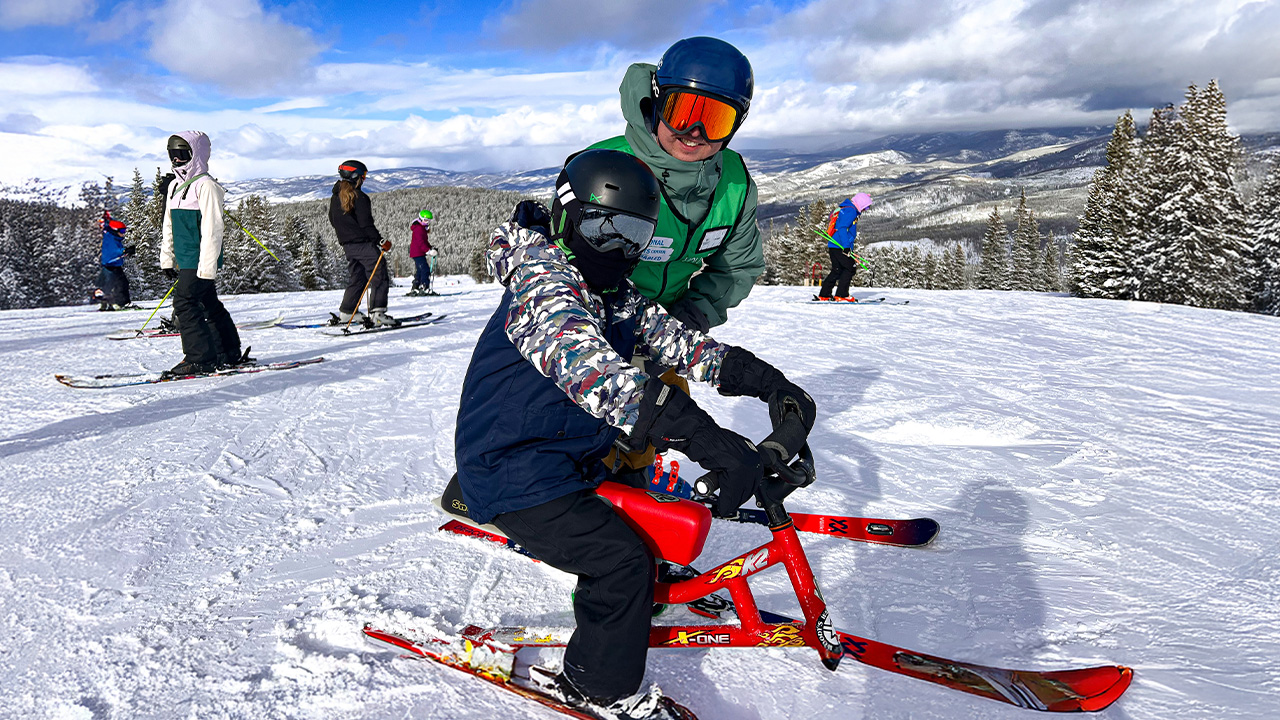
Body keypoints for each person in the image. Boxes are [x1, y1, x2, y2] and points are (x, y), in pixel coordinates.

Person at [451, 150, 815, 719]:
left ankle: (641, 589)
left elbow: (683, 344)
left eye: (633, 234)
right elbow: (597, 375)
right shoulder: (543, 284)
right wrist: (704, 438)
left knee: (651, 506)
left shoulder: (611, 290)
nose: (617, 246)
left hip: (573, 457)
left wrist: (768, 384)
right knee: (620, 563)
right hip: (512, 468)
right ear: (569, 215)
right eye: (604, 225)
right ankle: (596, 687)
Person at [587, 36, 766, 482]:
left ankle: (632, 483)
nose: (695, 133)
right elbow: (560, 270)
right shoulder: (607, 166)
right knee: (591, 415)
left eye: (715, 119)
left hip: (670, 326)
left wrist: (692, 314)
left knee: (660, 415)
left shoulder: (734, 183)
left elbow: (737, 266)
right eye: (684, 111)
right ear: (657, 102)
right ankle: (566, 485)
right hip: (594, 323)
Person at [160, 131, 249, 376]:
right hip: (185, 257)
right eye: (173, 155)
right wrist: (167, 257)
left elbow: (213, 229)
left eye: (182, 155)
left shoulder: (207, 186)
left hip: (200, 258)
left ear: (196, 154)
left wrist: (207, 267)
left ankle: (200, 357)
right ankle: (228, 350)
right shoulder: (175, 187)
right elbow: (169, 224)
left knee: (185, 302)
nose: (177, 161)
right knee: (207, 303)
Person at [329, 160, 398, 327]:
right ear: (355, 176)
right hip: (364, 245)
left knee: (358, 277)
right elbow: (366, 225)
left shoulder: (335, 197)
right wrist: (381, 241)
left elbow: (333, 220)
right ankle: (378, 313)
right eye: (364, 176)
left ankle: (347, 312)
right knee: (379, 275)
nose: (364, 179)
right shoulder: (360, 198)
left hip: (347, 246)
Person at [817, 193, 874, 300]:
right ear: (861, 203)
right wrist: (846, 246)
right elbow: (842, 228)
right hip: (840, 246)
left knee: (837, 270)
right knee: (850, 268)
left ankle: (824, 294)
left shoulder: (846, 207)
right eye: (866, 206)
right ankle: (842, 295)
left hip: (834, 244)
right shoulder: (851, 211)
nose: (866, 209)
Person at [96, 212, 135, 310]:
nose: (124, 233)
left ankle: (107, 304)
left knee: (114, 284)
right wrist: (125, 250)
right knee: (119, 284)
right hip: (111, 265)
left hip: (113, 265)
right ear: (115, 230)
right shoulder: (111, 239)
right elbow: (113, 251)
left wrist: (108, 219)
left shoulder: (111, 235)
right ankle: (120, 303)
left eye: (124, 230)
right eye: (122, 230)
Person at [408, 209, 437, 296]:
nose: (427, 222)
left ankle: (416, 287)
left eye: (428, 220)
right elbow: (420, 243)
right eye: (425, 220)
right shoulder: (419, 229)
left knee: (420, 270)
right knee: (425, 269)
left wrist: (431, 247)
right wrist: (428, 251)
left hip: (418, 253)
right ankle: (424, 287)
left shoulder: (422, 228)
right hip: (417, 252)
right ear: (420, 219)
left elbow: (425, 241)